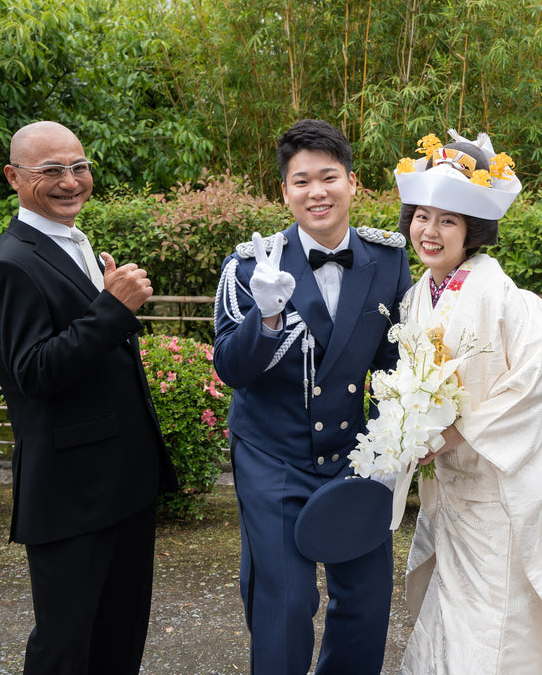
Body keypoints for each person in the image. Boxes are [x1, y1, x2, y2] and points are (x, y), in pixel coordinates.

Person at [0, 121, 178, 675]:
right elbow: (32, 371)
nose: (70, 181)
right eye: (51, 171)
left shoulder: (73, 242)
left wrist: (106, 303)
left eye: (79, 166)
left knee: (120, 633)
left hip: (121, 482)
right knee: (66, 646)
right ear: (14, 177)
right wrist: (113, 308)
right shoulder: (8, 263)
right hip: (71, 493)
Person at [394, 130, 542, 675]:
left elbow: (537, 390)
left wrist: (453, 434)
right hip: (452, 493)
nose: (430, 232)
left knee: (500, 623)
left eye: (448, 221)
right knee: (453, 616)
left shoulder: (515, 303)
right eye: (422, 216)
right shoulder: (417, 297)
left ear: (473, 230)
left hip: (499, 492)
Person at [212, 119, 411, 675]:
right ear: (285, 192)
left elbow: (395, 366)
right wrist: (267, 316)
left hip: (356, 453)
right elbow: (230, 368)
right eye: (301, 182)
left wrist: (390, 447)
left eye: (328, 178)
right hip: (272, 453)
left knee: (367, 599)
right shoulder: (252, 265)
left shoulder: (389, 259)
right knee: (285, 600)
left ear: (353, 182)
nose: (316, 192)